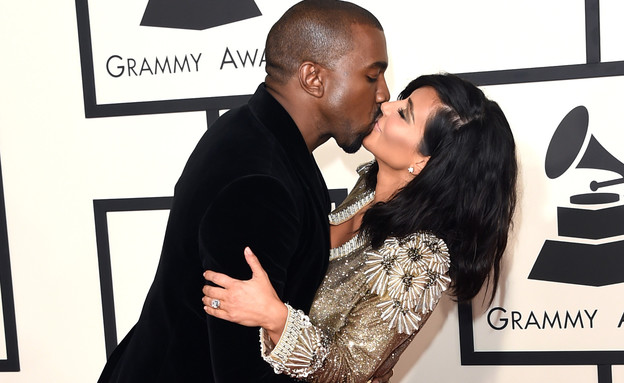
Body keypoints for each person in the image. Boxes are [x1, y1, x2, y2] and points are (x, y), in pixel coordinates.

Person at [97, 1, 390, 382]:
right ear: (313, 78)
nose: (384, 93)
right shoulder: (261, 183)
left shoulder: (257, 134)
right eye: (372, 76)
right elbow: (242, 370)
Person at [201, 73, 518, 382]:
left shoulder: (420, 259)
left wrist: (274, 317)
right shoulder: (369, 187)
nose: (386, 105)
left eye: (404, 114)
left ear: (425, 161)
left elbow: (350, 371)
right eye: (402, 99)